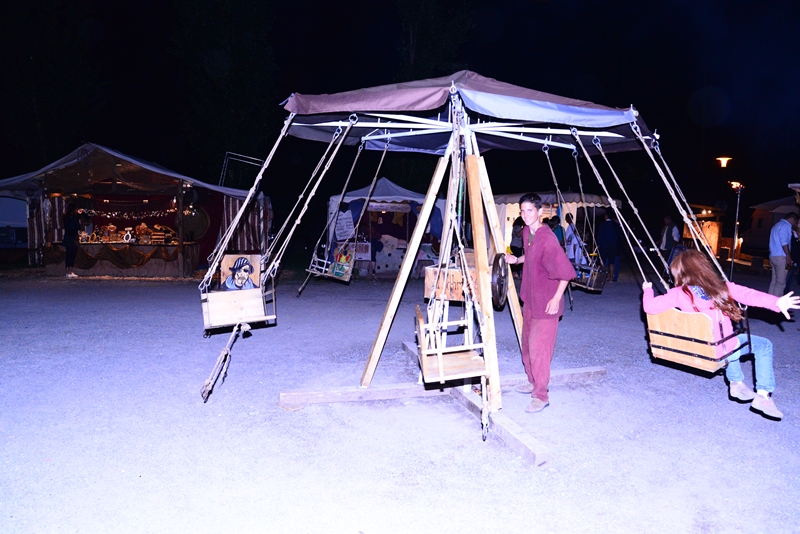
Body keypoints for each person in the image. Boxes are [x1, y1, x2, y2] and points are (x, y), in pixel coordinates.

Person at [642, 249, 799, 420]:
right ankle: (763, 395)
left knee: (727, 341)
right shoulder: (722, 288)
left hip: (698, 349)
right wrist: (776, 302)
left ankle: (736, 383)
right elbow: (749, 295)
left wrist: (647, 290)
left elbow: (649, 307)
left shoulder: (678, 293)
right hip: (721, 350)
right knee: (762, 345)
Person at [505, 193, 576, 413]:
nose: (526, 215)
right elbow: (530, 255)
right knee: (526, 345)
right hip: (530, 299)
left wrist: (556, 298)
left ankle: (541, 395)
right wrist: (517, 259)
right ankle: (532, 380)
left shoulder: (548, 239)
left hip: (547, 303)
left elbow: (566, 272)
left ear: (540, 212)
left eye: (530, 210)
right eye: (523, 211)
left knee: (539, 350)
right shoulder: (528, 232)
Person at [768, 212, 799, 296]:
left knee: (774, 281)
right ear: (792, 219)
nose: (794, 224)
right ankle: (777, 302)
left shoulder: (776, 225)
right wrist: (788, 255)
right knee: (781, 283)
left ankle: (770, 300)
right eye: (795, 222)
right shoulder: (785, 226)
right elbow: (784, 242)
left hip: (773, 255)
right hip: (781, 256)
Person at [597, 212, 622, 282]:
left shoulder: (603, 224)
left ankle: (601, 278)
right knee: (612, 262)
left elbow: (599, 235)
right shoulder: (615, 225)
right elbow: (619, 235)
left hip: (604, 246)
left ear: (606, 216)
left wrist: (599, 244)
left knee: (603, 262)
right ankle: (611, 278)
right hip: (612, 246)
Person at [62, 204, 81, 279]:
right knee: (72, 255)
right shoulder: (74, 217)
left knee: (68, 254)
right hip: (73, 237)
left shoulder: (65, 217)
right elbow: (78, 227)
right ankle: (70, 271)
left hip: (67, 237)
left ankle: (68, 271)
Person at [783, 223, 800, 295]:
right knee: (788, 275)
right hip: (792, 257)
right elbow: (793, 245)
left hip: (796, 258)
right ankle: (785, 292)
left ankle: (786, 291)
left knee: (791, 275)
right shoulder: (793, 233)